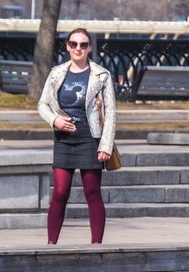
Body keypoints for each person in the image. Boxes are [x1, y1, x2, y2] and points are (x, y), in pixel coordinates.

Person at [37, 28, 116, 245]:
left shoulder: (101, 75)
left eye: (83, 45)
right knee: (60, 192)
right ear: (67, 46)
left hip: (90, 139)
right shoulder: (56, 73)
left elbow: (110, 112)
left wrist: (105, 145)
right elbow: (42, 104)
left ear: (89, 47)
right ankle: (51, 244)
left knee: (92, 191)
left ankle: (96, 246)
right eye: (73, 44)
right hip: (63, 140)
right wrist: (55, 120)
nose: (78, 48)